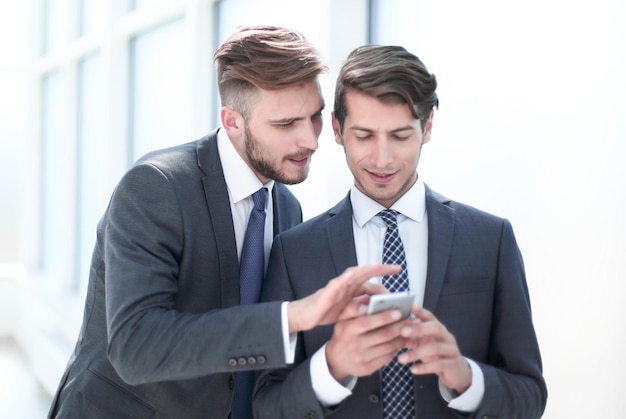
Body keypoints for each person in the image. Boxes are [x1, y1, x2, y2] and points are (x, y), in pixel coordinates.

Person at [47, 26, 399, 419]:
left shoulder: (286, 207)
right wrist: (297, 314)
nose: (311, 140)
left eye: (315, 117)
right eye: (286, 124)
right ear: (232, 121)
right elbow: (136, 347)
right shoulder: (155, 187)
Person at [254, 45, 548, 418]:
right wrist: (332, 366)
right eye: (364, 136)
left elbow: (530, 397)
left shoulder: (491, 240)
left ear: (427, 128)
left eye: (400, 136)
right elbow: (265, 407)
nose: (382, 159)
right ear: (337, 130)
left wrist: (464, 376)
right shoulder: (293, 252)